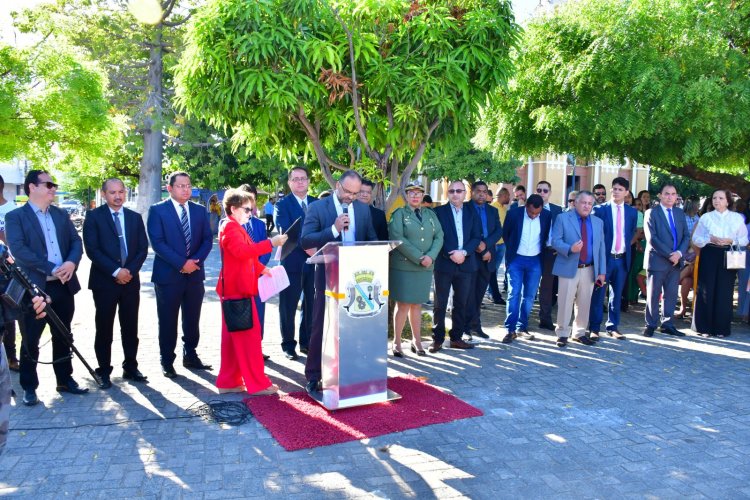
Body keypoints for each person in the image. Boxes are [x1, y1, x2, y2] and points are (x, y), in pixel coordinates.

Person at [6, 170, 87, 406]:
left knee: (63, 333)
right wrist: (52, 267)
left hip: (62, 286)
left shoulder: (61, 215)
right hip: (34, 289)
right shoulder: (16, 217)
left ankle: (65, 379)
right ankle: (29, 387)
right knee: (31, 337)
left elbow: (75, 241)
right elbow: (19, 251)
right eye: (48, 184)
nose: (53, 188)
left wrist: (71, 263)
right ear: (32, 187)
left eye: (54, 185)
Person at [300, 170, 377, 394]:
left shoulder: (363, 210)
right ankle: (314, 375)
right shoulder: (318, 207)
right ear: (337, 185)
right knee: (321, 323)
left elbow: (371, 237)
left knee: (354, 324)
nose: (350, 197)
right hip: (327, 273)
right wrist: (333, 229)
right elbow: (305, 239)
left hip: (357, 276)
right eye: (347, 192)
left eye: (355, 193)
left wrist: (373, 252)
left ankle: (353, 370)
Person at [216, 188, 287, 395]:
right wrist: (270, 243)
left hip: (234, 289)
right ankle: (258, 384)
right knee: (249, 339)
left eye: (251, 209)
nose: (251, 213)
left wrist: (262, 269)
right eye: (247, 209)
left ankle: (228, 382)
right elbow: (241, 252)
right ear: (234, 208)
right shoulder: (231, 227)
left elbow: (244, 257)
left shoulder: (233, 226)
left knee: (232, 339)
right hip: (237, 290)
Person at [82, 178, 149, 388]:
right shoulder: (94, 217)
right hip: (105, 282)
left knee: (130, 327)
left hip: (130, 281)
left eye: (121, 191)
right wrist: (115, 271)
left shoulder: (134, 217)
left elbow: (142, 249)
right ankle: (103, 370)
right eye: (112, 192)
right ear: (104, 194)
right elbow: (92, 250)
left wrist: (129, 271)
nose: (118, 196)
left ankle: (130, 366)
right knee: (104, 328)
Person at [147, 171, 213, 378]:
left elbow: (207, 240)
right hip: (168, 276)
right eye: (181, 186)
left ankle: (190, 355)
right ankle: (167, 360)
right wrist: (181, 263)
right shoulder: (158, 211)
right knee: (167, 320)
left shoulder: (200, 211)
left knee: (192, 319)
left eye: (188, 185)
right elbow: (157, 242)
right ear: (170, 188)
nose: (186, 189)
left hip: (194, 275)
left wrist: (194, 263)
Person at [388, 183, 444, 356]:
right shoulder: (399, 214)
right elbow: (397, 236)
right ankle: (396, 342)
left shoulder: (430, 214)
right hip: (404, 266)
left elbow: (439, 236)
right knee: (403, 304)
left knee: (417, 305)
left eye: (419, 193)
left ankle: (417, 341)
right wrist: (419, 257)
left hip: (425, 266)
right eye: (411, 193)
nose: (415, 196)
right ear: (406, 196)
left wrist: (431, 256)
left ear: (422, 196)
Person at [430, 181, 481, 352]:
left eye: (459, 191)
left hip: (466, 264)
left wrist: (464, 252)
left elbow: (476, 237)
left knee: (461, 303)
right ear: (447, 193)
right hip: (444, 263)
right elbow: (436, 237)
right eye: (451, 191)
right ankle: (437, 339)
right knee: (440, 303)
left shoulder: (472, 212)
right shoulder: (438, 212)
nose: (455, 193)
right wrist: (451, 254)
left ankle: (456, 338)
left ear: (465, 193)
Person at [550, 191, 606, 347]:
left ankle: (579, 333)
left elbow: (601, 248)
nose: (587, 206)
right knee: (565, 302)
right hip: (568, 266)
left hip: (589, 269)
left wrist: (602, 272)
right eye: (584, 202)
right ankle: (562, 333)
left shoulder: (597, 222)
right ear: (575, 202)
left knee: (584, 303)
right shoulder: (563, 218)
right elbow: (555, 241)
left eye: (590, 203)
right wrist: (570, 248)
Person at [691, 189, 749, 337]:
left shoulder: (737, 218)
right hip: (709, 253)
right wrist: (710, 239)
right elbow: (696, 239)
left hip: (728, 254)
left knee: (724, 291)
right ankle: (704, 327)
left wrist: (731, 240)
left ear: (728, 201)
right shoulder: (705, 217)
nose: (717, 200)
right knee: (706, 289)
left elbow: (744, 239)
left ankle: (721, 328)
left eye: (721, 198)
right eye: (714, 198)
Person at [587, 177, 638, 340]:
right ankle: (594, 328)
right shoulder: (600, 210)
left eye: (620, 189)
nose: (616, 192)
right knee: (599, 294)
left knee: (616, 295)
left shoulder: (632, 212)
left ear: (626, 192)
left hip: (622, 259)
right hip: (605, 259)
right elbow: (595, 236)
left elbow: (629, 233)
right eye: (614, 188)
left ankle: (613, 326)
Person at [274, 167, 317, 360]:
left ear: (309, 181)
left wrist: (315, 247)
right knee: (288, 305)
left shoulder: (317, 203)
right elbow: (285, 230)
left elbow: (323, 226)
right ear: (290, 183)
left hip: (314, 260)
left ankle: (306, 342)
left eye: (303, 178)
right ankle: (288, 345)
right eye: (295, 179)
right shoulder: (282, 205)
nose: (300, 182)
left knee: (310, 303)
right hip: (292, 261)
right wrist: (307, 245)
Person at [501, 194, 551, 343]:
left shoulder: (547, 216)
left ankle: (522, 326)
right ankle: (510, 329)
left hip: (535, 260)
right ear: (526, 206)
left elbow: (546, 235)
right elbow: (506, 234)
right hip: (516, 259)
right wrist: (512, 252)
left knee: (529, 296)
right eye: (531, 213)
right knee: (513, 293)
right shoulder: (514, 214)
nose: (534, 216)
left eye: (538, 213)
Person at [642, 184, 690, 337]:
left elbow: (686, 236)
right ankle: (650, 324)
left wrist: (679, 254)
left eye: (673, 194)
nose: (670, 197)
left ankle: (667, 324)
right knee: (653, 294)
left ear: (677, 196)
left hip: (676, 262)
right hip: (658, 260)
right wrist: (670, 254)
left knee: (670, 294)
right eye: (667, 194)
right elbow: (652, 238)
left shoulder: (679, 213)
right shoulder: (652, 213)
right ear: (660, 195)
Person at [465, 181, 502, 339]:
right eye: (478, 191)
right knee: (468, 294)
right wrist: (479, 247)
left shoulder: (493, 211)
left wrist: (486, 246)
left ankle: (476, 326)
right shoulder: (465, 208)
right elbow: (467, 232)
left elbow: (498, 231)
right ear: (472, 192)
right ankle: (465, 326)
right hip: (471, 256)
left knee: (479, 294)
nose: (481, 194)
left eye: (484, 191)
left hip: (488, 257)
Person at [238, 185, 271, 359]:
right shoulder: (231, 225)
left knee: (259, 313)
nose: (249, 203)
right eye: (245, 199)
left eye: (252, 199)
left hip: (259, 278)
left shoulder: (259, 224)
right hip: (241, 278)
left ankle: (257, 347)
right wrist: (252, 267)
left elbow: (266, 249)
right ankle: (244, 351)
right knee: (243, 315)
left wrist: (260, 267)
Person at [535, 180, 563, 330]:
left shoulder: (557, 210)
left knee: (547, 286)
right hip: (533, 252)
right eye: (539, 190)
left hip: (551, 251)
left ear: (550, 193)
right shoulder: (530, 208)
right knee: (531, 285)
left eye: (545, 191)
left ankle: (545, 318)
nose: (542, 193)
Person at [0, 175, 19, 372]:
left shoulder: (12, 211)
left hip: (7, 273)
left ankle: (12, 358)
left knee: (9, 318)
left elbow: (13, 242)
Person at [489, 187, 510, 304]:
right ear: (503, 195)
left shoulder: (504, 209)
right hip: (493, 245)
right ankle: (492, 294)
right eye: (508, 196)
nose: (509, 198)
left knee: (495, 270)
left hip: (502, 244)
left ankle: (492, 293)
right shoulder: (492, 207)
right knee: (492, 270)